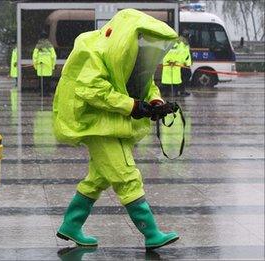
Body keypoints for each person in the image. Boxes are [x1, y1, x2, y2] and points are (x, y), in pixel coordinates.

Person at [53, 9, 179, 250]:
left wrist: (155, 102)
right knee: (126, 175)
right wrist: (132, 106)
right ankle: (151, 233)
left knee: (97, 179)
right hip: (98, 126)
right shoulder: (98, 51)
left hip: (113, 124)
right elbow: (91, 89)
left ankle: (71, 224)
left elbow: (145, 83)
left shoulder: (133, 56)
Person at [179, 30, 192, 96]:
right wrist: (184, 62)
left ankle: (182, 90)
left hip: (185, 64)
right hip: (183, 64)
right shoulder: (182, 42)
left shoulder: (184, 41)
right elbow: (181, 53)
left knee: (185, 77)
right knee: (185, 77)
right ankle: (182, 91)